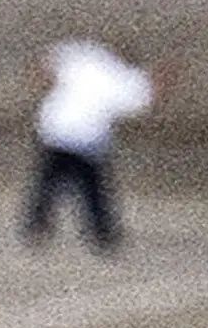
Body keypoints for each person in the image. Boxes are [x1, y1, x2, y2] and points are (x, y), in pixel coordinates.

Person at [22, 38, 154, 252]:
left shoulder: (86, 57)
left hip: (56, 129)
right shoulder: (126, 80)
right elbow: (144, 102)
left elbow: (48, 61)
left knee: (49, 181)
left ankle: (38, 224)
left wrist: (42, 81)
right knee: (92, 188)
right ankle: (103, 234)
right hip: (87, 138)